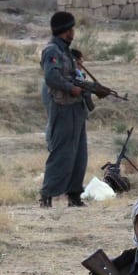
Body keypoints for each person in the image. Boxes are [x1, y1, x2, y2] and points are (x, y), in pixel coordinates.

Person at [39, 11, 104, 208]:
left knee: (79, 154)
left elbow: (72, 76)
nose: (73, 33)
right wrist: (71, 88)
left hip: (76, 109)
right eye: (71, 29)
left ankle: (74, 195)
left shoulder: (66, 51)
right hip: (62, 108)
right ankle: (47, 195)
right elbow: (51, 77)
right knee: (62, 153)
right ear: (64, 31)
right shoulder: (52, 51)